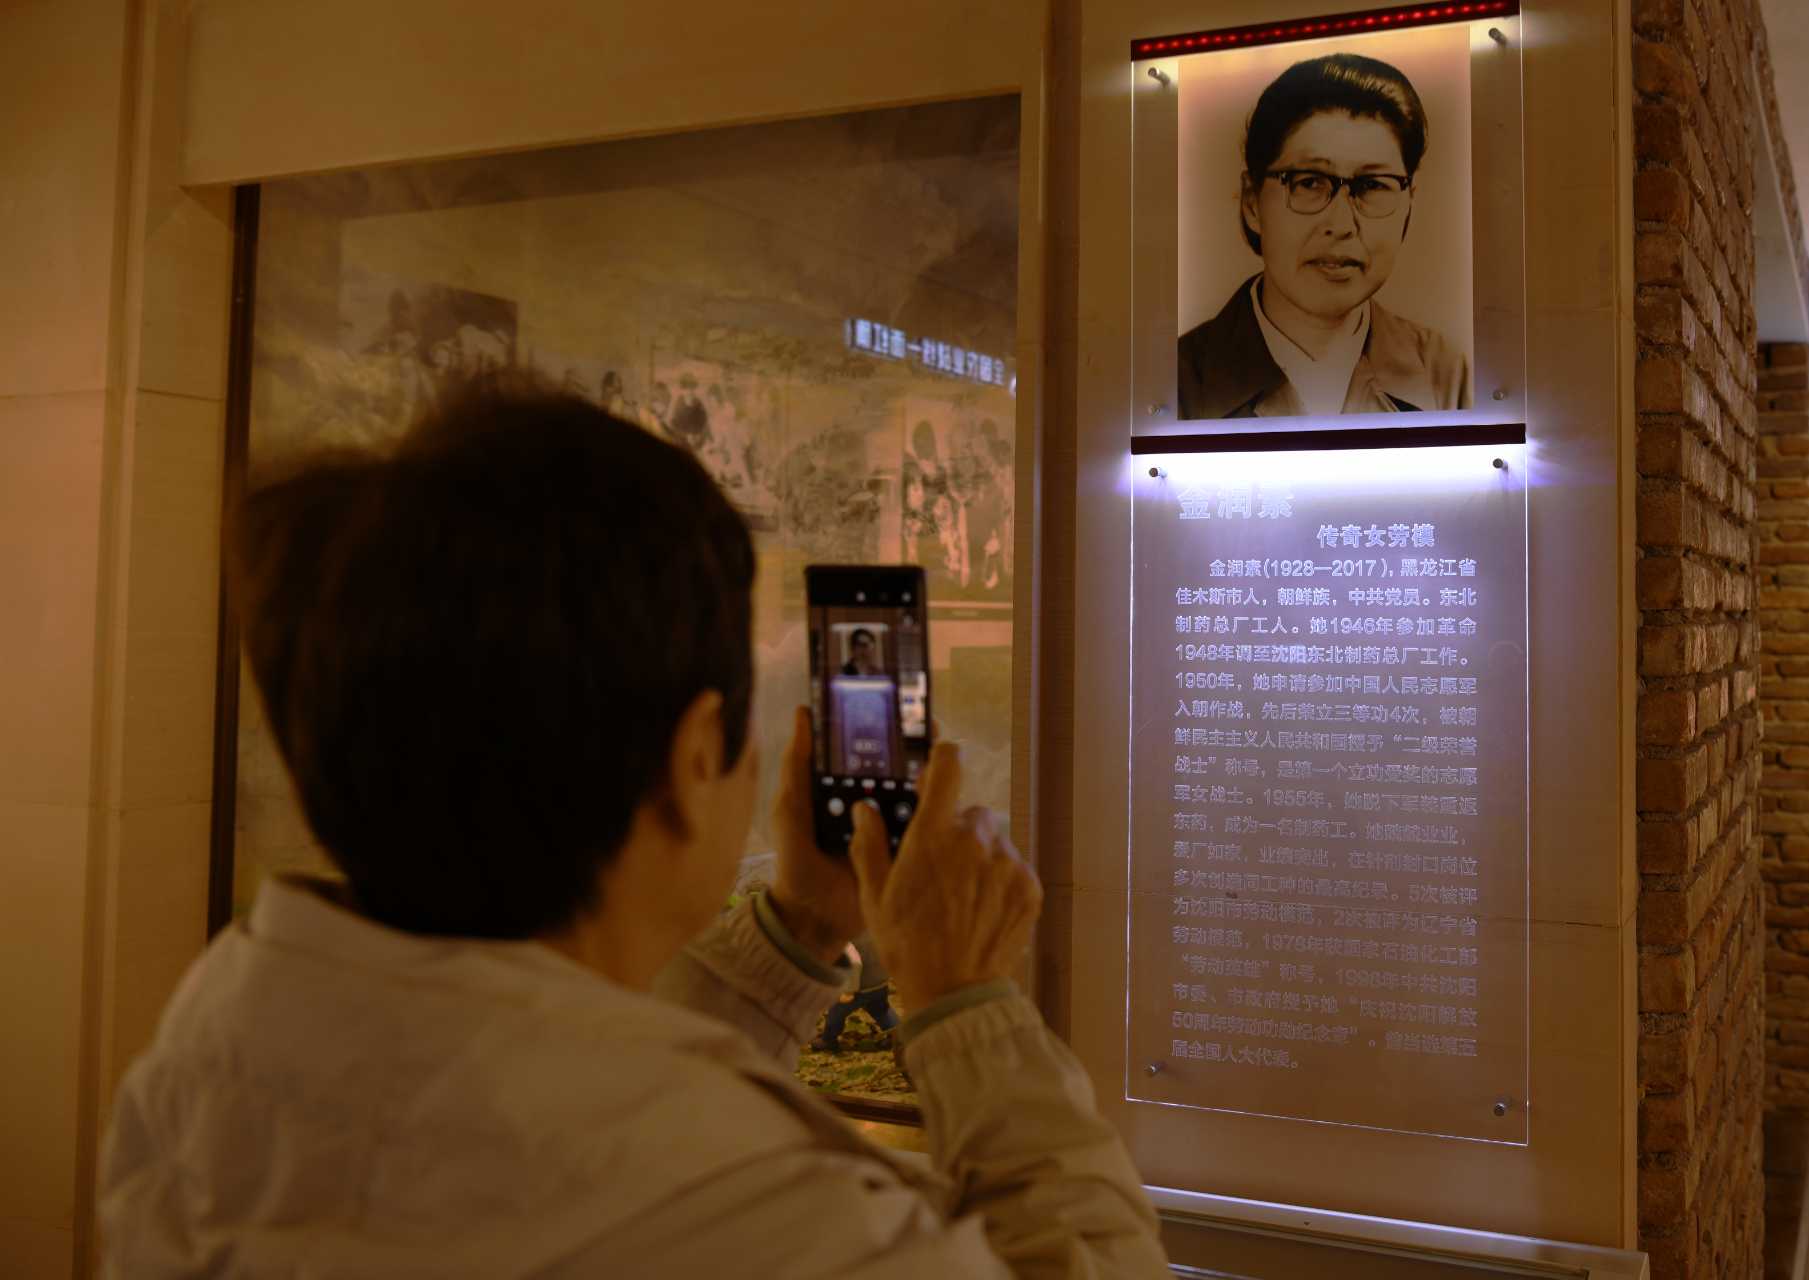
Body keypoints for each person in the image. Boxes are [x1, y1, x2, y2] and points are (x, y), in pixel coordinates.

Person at [98, 385, 1167, 1277]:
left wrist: (797, 932)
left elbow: (554, 1081)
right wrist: (967, 1006)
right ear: (696, 755)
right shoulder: (764, 1215)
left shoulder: (210, 1047)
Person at [1177, 52, 1471, 419]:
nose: (1342, 224)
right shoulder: (1175, 382)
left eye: (1372, 185)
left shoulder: (1449, 375)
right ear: (1252, 203)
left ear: (1409, 202)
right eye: (1309, 182)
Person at [809, 934, 899, 1053]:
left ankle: (828, 1040)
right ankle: (897, 1035)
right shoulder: (870, 931)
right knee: (881, 1010)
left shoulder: (845, 938)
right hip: (880, 982)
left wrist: (849, 991)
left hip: (861, 988)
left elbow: (855, 963)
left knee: (836, 1012)